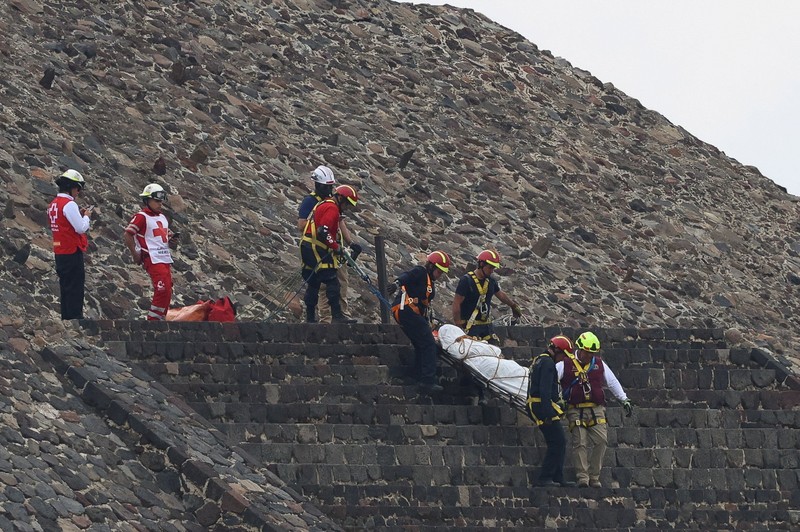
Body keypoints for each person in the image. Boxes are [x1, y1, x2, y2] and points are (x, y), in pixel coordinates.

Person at [557, 331, 633, 488]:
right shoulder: (564, 365)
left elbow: (612, 382)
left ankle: (594, 476)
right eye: (587, 352)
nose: (589, 356)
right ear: (580, 349)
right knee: (580, 443)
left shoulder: (599, 364)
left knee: (601, 441)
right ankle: (582, 477)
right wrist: (558, 400)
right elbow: (551, 382)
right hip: (575, 409)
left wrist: (624, 399)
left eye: (592, 353)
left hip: (596, 409)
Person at [296, 165, 361, 323]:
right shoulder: (317, 203)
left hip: (318, 247)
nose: (329, 189)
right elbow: (319, 230)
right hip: (318, 247)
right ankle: (333, 317)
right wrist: (334, 245)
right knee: (331, 282)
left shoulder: (330, 203)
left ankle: (311, 319)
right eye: (326, 187)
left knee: (315, 283)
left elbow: (339, 223)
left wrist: (350, 243)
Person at [390, 251, 451, 393]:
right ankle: (428, 380)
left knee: (420, 344)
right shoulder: (421, 272)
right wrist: (396, 283)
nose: (440, 275)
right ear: (431, 266)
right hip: (406, 311)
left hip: (413, 314)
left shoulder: (429, 281)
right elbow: (407, 276)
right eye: (439, 271)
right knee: (429, 343)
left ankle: (417, 376)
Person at [527, 335, 575, 487]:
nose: (562, 360)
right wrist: (549, 413)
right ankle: (546, 477)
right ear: (557, 351)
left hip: (539, 405)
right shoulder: (547, 363)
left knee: (558, 441)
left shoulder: (540, 359)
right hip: (542, 406)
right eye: (563, 356)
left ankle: (557, 477)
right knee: (557, 441)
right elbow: (545, 390)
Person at [123, 184, 175, 321]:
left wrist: (171, 238)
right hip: (151, 258)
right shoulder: (141, 216)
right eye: (157, 201)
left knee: (168, 289)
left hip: (164, 258)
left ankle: (160, 318)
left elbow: (161, 236)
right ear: (147, 200)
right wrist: (135, 253)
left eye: (161, 201)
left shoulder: (163, 217)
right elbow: (128, 234)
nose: (160, 204)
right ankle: (153, 321)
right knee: (162, 289)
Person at [48, 169, 93, 319]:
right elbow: (80, 227)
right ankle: (75, 318)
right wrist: (86, 217)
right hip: (72, 250)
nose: (78, 192)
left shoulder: (53, 204)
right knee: (75, 286)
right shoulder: (69, 204)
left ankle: (66, 317)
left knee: (65, 286)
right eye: (78, 188)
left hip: (59, 250)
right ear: (72, 187)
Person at [452, 249, 522, 345]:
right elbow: (457, 303)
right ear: (481, 264)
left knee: (495, 350)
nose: (492, 271)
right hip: (470, 327)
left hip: (486, 327)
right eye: (490, 267)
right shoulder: (466, 281)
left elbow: (500, 295)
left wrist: (513, 306)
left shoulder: (490, 281)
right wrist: (458, 325)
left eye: (493, 268)